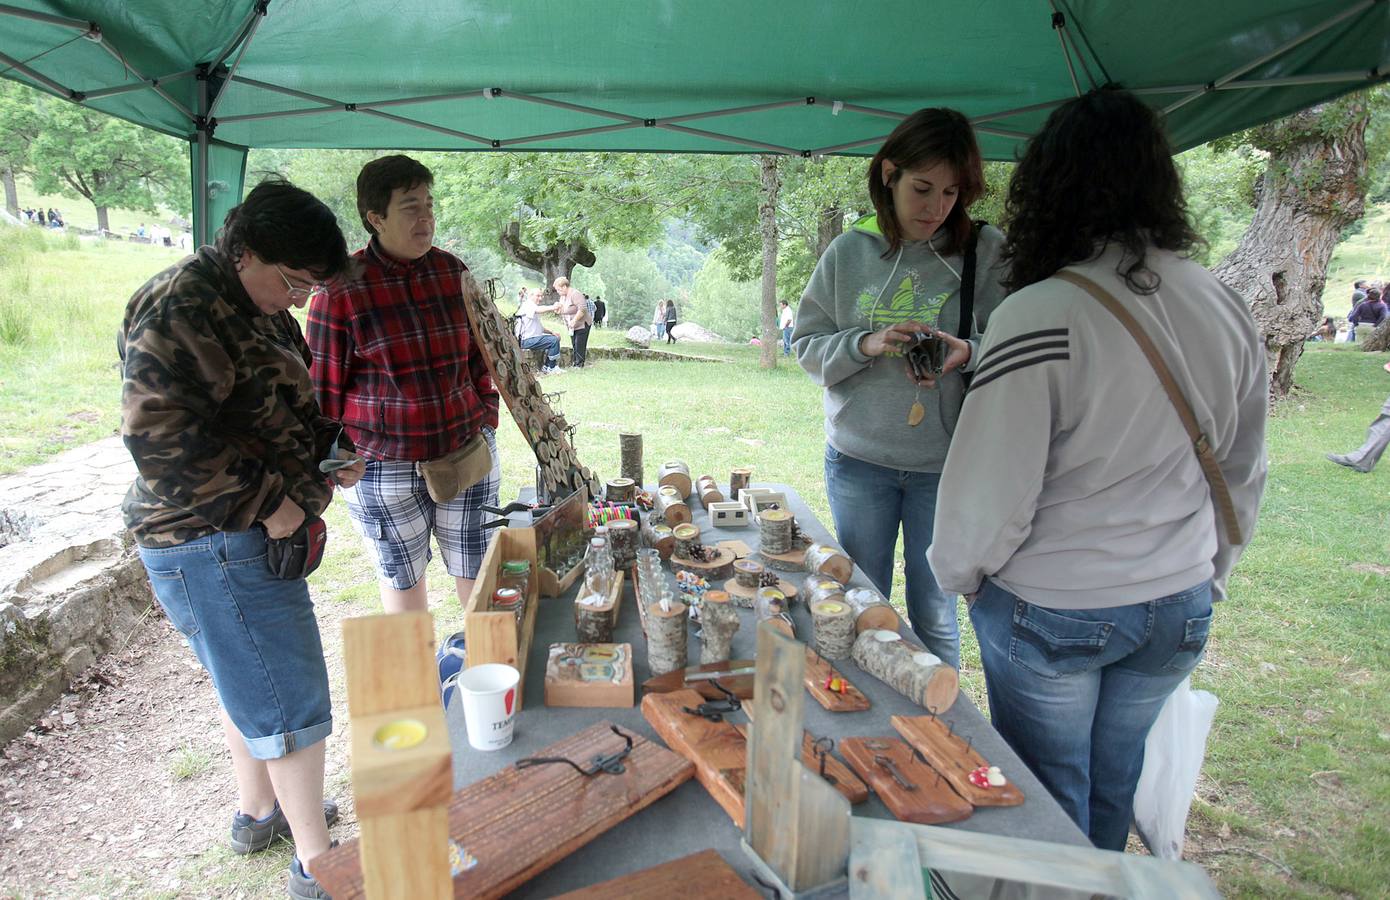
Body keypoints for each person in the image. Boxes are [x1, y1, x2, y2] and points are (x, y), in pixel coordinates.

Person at [927, 87, 1268, 851]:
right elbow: (1244, 466)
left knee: (1053, 798)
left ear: (1054, 185)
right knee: (1112, 783)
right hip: (1177, 598)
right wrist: (1211, 570)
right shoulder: (1223, 302)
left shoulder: (1042, 311)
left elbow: (993, 486)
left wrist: (960, 574)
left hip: (1057, 603)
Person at [119, 179, 363, 899]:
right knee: (288, 697)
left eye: (309, 288)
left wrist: (328, 449)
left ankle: (262, 813)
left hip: (232, 536)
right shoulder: (179, 309)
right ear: (244, 250)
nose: (298, 299)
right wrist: (272, 508)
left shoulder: (256, 302)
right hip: (211, 541)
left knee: (249, 683)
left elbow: (287, 397)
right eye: (292, 282)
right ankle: (317, 867)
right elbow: (159, 444)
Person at [792, 107, 1009, 668]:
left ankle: (938, 730)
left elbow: (1019, 352)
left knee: (935, 613)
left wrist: (968, 353)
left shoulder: (986, 253)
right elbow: (806, 347)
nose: (936, 208)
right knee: (863, 601)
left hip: (946, 464)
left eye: (952, 193)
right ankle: (865, 725)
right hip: (860, 459)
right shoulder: (848, 252)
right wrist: (867, 343)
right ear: (888, 173)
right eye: (922, 188)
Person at [308, 154, 500, 614]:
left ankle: (485, 680)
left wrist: (486, 418)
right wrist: (334, 461)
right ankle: (415, 686)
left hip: (466, 454)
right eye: (411, 207)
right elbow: (322, 398)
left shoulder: (453, 273)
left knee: (481, 587)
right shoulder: (340, 291)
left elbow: (482, 359)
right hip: (383, 470)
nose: (427, 218)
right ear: (376, 218)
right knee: (403, 593)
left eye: (430, 205)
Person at [516, 287, 563, 373]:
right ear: (531, 296)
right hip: (525, 340)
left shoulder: (532, 307)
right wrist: (553, 307)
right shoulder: (528, 305)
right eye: (538, 296)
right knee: (553, 340)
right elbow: (539, 309)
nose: (540, 298)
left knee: (555, 337)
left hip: (531, 338)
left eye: (541, 296)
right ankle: (552, 367)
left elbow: (540, 328)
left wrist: (552, 332)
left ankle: (547, 366)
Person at [553, 276, 593, 367]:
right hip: (572, 326)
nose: (558, 292)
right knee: (574, 343)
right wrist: (558, 309)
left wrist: (575, 320)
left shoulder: (575, 294)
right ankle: (575, 363)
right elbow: (564, 309)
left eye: (559, 290)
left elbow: (582, 309)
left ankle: (579, 365)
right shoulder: (563, 297)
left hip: (582, 324)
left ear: (564, 287)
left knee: (580, 344)